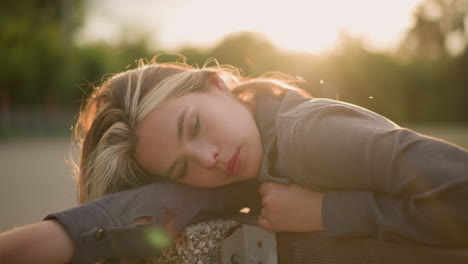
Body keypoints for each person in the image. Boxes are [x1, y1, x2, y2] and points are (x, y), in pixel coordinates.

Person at [1, 57, 468, 264]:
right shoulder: (249, 159)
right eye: (184, 167)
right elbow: (166, 201)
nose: (210, 158)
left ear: (217, 85)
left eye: (195, 127)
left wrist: (326, 212)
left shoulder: (310, 135)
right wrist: (57, 234)